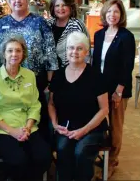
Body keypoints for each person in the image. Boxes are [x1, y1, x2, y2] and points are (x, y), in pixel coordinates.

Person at [0, 0, 58, 141]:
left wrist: (49, 81)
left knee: (36, 117)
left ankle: (39, 157)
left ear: (28, 0)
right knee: (9, 114)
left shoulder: (40, 22)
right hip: (6, 81)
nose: (17, 1)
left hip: (36, 81)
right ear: (8, 1)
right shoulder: (1, 23)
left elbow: (50, 52)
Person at [0, 35, 52, 181]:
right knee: (18, 160)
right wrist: (12, 131)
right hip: (1, 130)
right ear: (4, 54)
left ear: (23, 54)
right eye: (10, 51)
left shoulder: (29, 75)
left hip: (27, 128)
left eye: (18, 51)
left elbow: (35, 105)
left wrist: (27, 127)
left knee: (44, 157)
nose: (14, 54)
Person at [48, 32, 109, 181]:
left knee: (81, 152)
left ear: (86, 52)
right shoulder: (59, 75)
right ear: (66, 51)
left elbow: (104, 109)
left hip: (92, 127)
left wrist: (84, 130)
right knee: (63, 149)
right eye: (71, 48)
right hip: (66, 127)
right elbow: (51, 103)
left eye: (79, 48)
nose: (74, 52)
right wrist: (55, 124)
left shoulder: (96, 76)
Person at [92, 0, 136, 178]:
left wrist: (118, 91)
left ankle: (112, 161)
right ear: (104, 14)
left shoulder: (126, 36)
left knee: (116, 128)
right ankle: (94, 154)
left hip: (118, 89)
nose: (112, 15)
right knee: (98, 124)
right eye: (109, 11)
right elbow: (96, 64)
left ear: (121, 15)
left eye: (116, 12)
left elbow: (127, 67)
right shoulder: (99, 34)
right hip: (99, 88)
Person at [47, 0, 90, 68]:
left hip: (72, 70)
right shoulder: (48, 24)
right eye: (57, 5)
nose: (60, 8)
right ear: (53, 8)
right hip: (50, 70)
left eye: (64, 5)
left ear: (71, 7)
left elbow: (85, 51)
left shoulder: (76, 25)